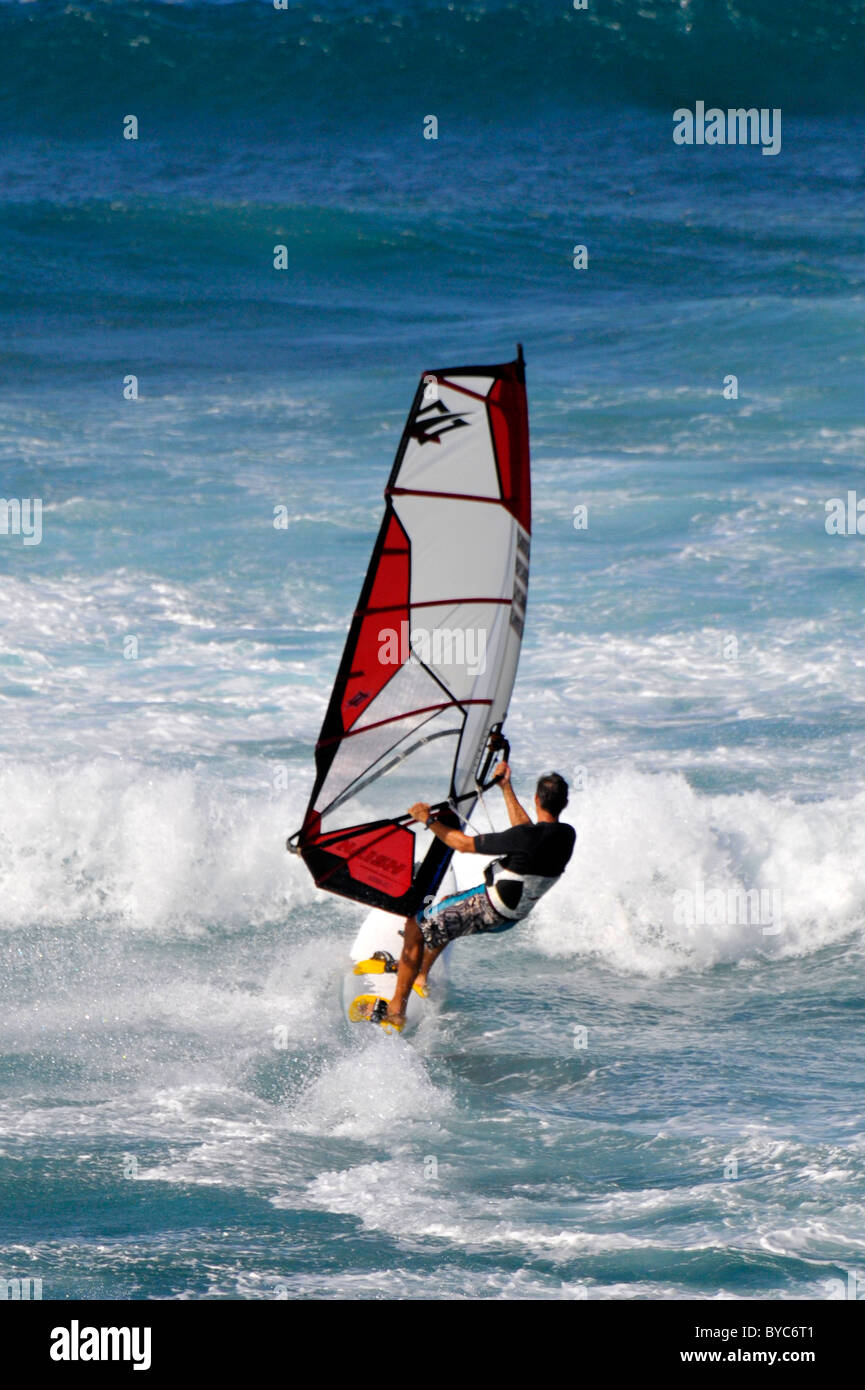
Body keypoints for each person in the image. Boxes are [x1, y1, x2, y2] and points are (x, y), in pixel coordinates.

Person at [383, 763, 576, 1029]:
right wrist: (505, 787)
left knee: (414, 926)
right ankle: (421, 975)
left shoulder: (526, 837)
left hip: (488, 907)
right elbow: (528, 831)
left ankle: (396, 1009)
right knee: (447, 911)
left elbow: (461, 844)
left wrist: (427, 819)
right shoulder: (566, 835)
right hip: (513, 915)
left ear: (536, 799)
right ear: (564, 802)